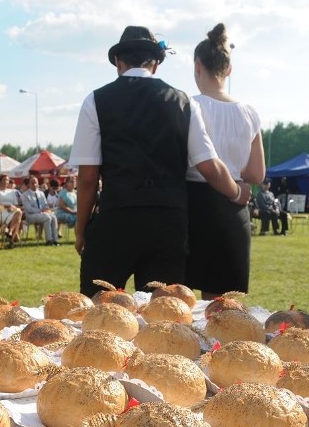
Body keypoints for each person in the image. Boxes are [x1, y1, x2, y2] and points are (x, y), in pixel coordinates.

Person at [69, 25, 242, 296]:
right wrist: (238, 192)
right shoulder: (184, 102)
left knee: (97, 317)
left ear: (118, 62)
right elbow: (209, 165)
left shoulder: (95, 100)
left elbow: (88, 177)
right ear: (155, 65)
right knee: (161, 320)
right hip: (167, 225)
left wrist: (81, 230)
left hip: (116, 219)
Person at [185, 23, 265, 298]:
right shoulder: (250, 113)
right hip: (233, 209)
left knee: (178, 304)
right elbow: (257, 173)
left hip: (191, 206)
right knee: (223, 308)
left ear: (197, 66)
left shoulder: (187, 105)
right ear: (229, 69)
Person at [21, 175, 60, 245]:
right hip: (30, 216)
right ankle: (49, 240)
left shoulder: (41, 193)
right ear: (29, 185)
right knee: (47, 217)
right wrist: (41, 210)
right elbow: (29, 209)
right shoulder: (25, 195)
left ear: (38, 183)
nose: (34, 184)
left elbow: (45, 205)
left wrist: (47, 209)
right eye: (32, 183)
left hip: (42, 214)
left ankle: (55, 240)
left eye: (36, 183)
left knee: (53, 216)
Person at [0, 174, 23, 243]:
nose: (6, 181)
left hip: (12, 211)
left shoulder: (12, 192)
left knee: (18, 213)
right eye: (4, 180)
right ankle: (12, 237)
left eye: (7, 180)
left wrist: (12, 207)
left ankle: (10, 232)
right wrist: (7, 206)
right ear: (0, 181)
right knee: (18, 218)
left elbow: (16, 204)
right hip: (0, 212)